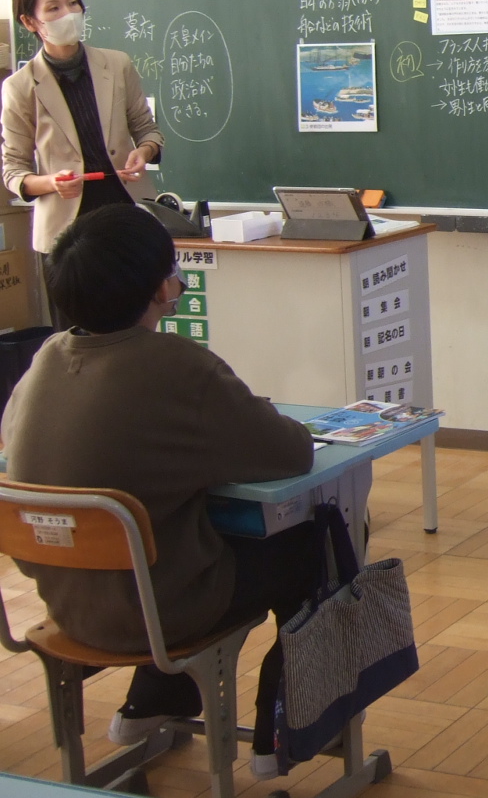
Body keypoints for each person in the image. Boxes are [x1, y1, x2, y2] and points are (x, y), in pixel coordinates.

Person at [0, 205, 320, 777]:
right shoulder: (177, 367)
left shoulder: (42, 361)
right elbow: (292, 451)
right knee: (313, 543)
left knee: (175, 540)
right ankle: (279, 735)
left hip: (66, 608)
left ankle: (154, 700)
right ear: (158, 288)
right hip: (159, 614)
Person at [1, 0, 163, 253]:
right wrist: (51, 182)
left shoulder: (117, 65)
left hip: (128, 211)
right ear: (29, 21)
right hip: (68, 231)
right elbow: (14, 170)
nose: (69, 14)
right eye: (54, 8)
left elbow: (147, 130)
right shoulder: (20, 86)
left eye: (73, 2)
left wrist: (145, 152)